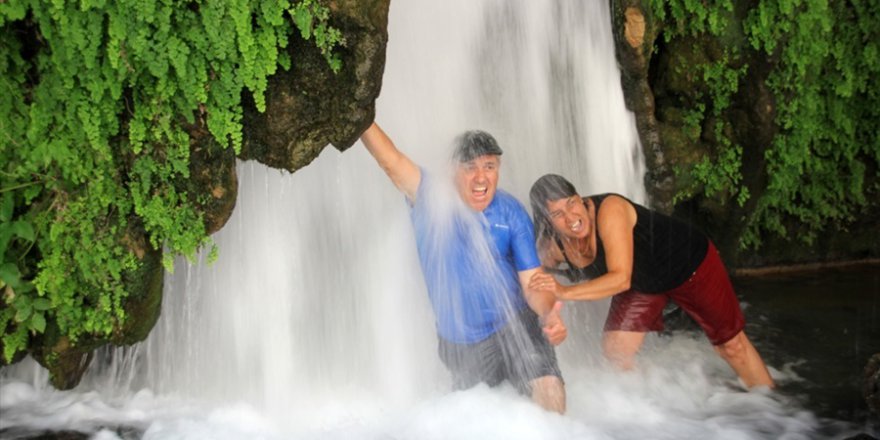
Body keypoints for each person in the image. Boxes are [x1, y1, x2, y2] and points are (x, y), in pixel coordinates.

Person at [360, 122, 567, 412]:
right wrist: (359, 115)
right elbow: (390, 161)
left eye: (489, 166)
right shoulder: (432, 198)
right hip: (463, 344)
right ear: (451, 170)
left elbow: (533, 283)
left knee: (548, 386)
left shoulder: (511, 212)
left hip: (516, 322)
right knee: (475, 416)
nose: (481, 177)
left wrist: (548, 314)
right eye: (469, 167)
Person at [527, 173, 774, 389]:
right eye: (558, 213)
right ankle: (654, 408)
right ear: (547, 221)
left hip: (689, 265)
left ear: (580, 198)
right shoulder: (554, 248)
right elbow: (534, 281)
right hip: (644, 282)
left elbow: (620, 279)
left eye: (572, 203)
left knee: (731, 347)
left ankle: (768, 403)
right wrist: (550, 315)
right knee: (616, 352)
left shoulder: (610, 209)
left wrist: (564, 292)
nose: (571, 216)